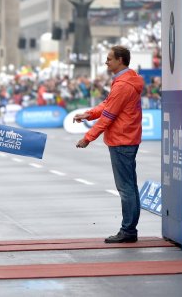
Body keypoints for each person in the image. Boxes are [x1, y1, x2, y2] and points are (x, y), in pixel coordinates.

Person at [73, 45, 144, 244]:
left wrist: (88, 138)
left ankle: (128, 230)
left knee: (126, 188)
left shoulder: (122, 85)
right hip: (128, 137)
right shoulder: (127, 80)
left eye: (109, 59)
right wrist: (88, 114)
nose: (106, 62)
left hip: (122, 139)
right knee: (130, 186)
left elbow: (108, 116)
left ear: (120, 60)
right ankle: (130, 229)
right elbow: (107, 105)